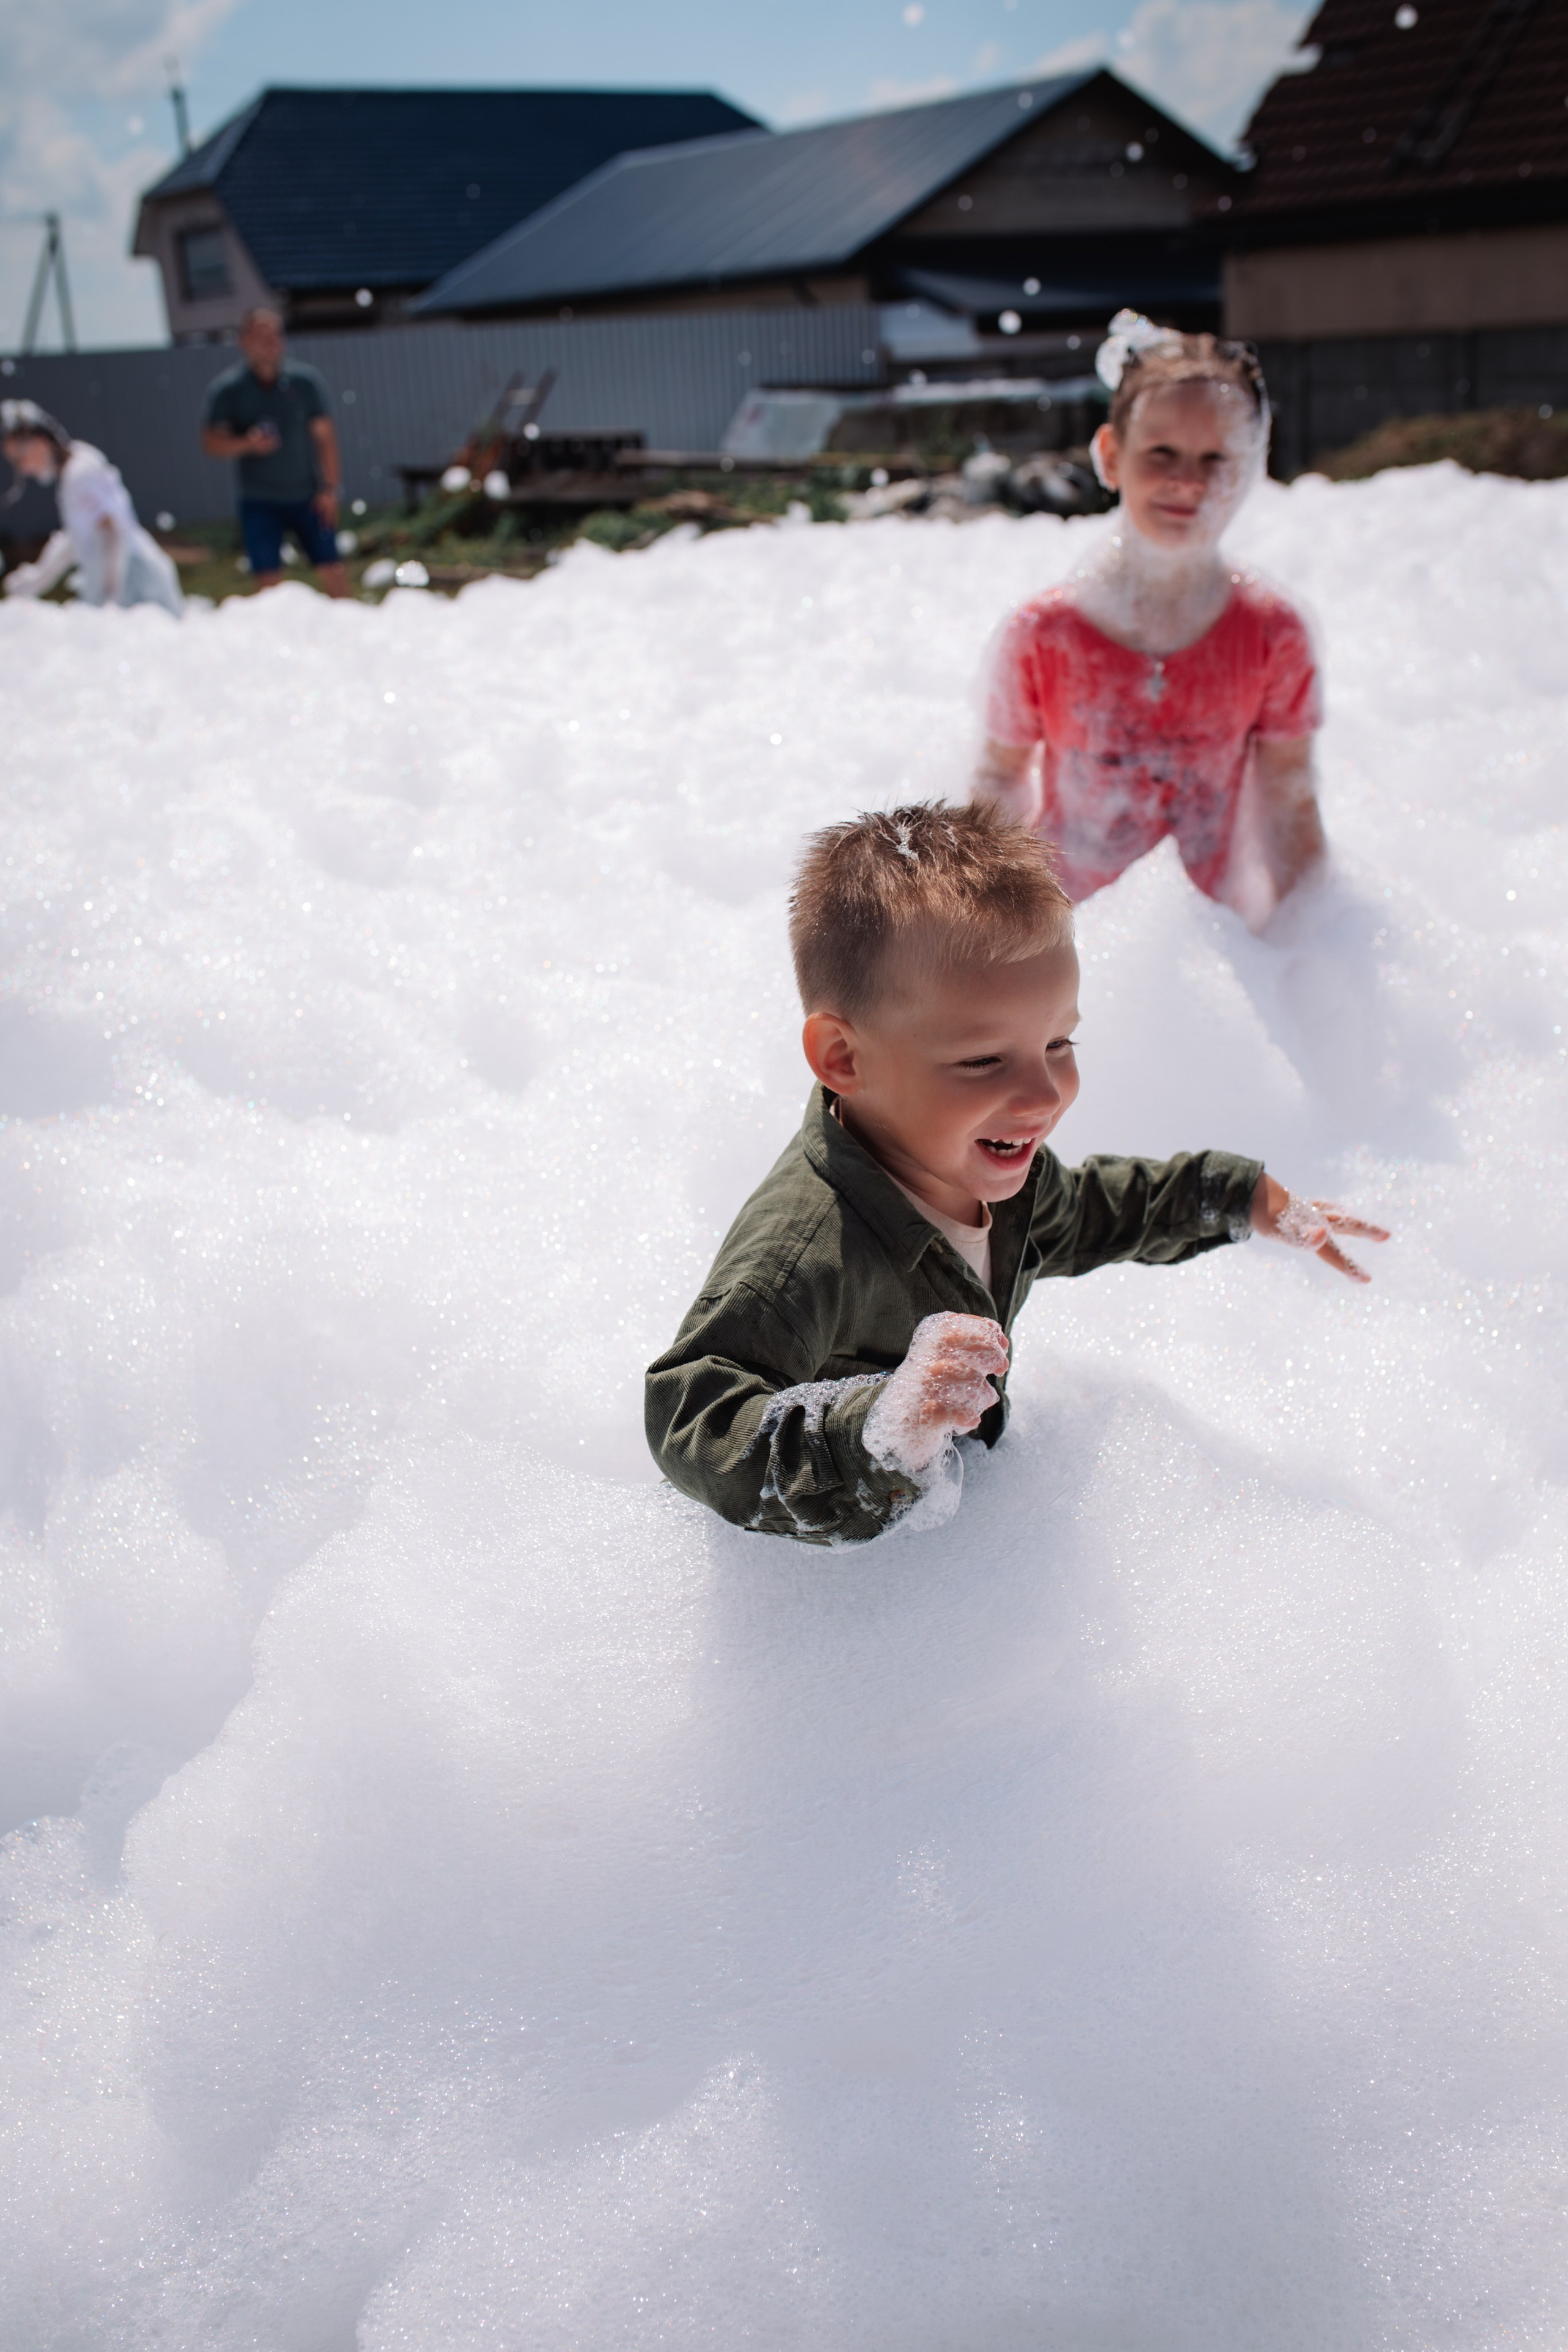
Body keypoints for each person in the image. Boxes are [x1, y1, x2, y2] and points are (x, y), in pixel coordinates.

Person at [645, 803, 1386, 1545]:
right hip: (855, 1578)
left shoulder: (999, 1174)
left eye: (1058, 1043)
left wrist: (1234, 1196)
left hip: (966, 1530)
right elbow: (691, 1414)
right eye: (982, 1060)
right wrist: (873, 1433)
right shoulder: (806, 1251)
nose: (1042, 1095)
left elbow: (1096, 1211)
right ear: (844, 1058)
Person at [976, 312, 1325, 933]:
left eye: (1215, 457)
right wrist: (985, 932)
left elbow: (1290, 803)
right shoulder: (1042, 633)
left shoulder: (1273, 633)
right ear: (1110, 455)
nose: (1186, 480)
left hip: (1214, 945)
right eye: (1160, 451)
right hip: (1066, 948)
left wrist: (1309, 944)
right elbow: (1001, 780)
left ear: (1247, 468)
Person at [200, 307, 351, 597]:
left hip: (307, 495)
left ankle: (352, 635)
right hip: (260, 501)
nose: (270, 343)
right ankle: (277, 641)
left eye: (275, 336)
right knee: (268, 586)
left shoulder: (304, 383)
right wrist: (247, 443)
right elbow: (211, 443)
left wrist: (330, 489)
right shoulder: (229, 390)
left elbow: (326, 437)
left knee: (333, 571)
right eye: (261, 337)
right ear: (244, 341)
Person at [1, 400, 182, 616]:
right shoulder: (72, 473)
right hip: (119, 578)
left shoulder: (81, 473)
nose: (23, 469)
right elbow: (76, 538)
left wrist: (110, 594)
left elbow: (111, 531)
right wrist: (39, 577)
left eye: (21, 458)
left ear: (40, 443)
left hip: (135, 582)